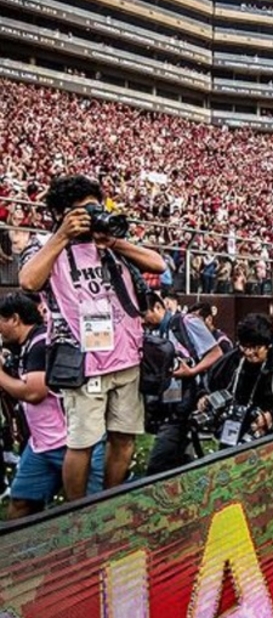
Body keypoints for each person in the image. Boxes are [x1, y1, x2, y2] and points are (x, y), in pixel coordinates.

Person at [19, 175, 166, 500]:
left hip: (127, 356)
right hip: (83, 362)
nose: (92, 215)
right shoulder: (46, 245)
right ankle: (78, 510)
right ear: (61, 213)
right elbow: (28, 281)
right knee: (82, 441)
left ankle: (108, 503)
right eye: (82, 210)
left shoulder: (109, 244)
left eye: (95, 208)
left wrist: (112, 241)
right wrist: (62, 236)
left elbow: (158, 264)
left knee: (124, 437)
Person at [0, 293, 105, 518]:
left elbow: (34, 392)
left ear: (15, 319)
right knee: (21, 503)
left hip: (70, 443)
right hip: (41, 445)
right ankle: (18, 551)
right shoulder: (26, 345)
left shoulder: (40, 344)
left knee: (88, 511)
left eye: (0, 321)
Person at [198, 314, 273, 446]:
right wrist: (203, 397)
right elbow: (208, 381)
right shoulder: (234, 358)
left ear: (268, 344)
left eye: (255, 347)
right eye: (244, 346)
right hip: (236, 426)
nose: (249, 353)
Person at [141, 292, 222, 474]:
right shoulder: (148, 331)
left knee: (157, 465)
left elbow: (215, 353)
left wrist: (192, 371)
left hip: (188, 399)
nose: (142, 320)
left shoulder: (186, 322)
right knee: (178, 459)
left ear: (158, 307)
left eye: (144, 314)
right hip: (164, 404)